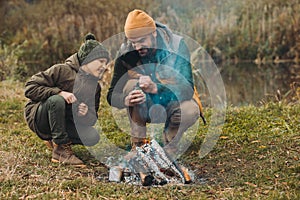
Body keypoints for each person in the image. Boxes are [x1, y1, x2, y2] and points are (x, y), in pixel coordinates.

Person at [107, 9, 200, 159]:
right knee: (131, 86)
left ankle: (168, 145)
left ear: (154, 33)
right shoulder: (125, 53)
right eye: (133, 42)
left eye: (142, 41)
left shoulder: (176, 46)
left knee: (190, 110)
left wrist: (157, 88)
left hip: (172, 103)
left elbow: (187, 88)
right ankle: (138, 146)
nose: (137, 47)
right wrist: (125, 100)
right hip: (144, 106)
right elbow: (111, 94)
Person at [24, 33, 110, 167]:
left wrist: (85, 113)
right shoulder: (61, 70)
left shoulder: (96, 87)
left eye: (106, 63)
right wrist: (59, 92)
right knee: (57, 100)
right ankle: (60, 151)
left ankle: (55, 139)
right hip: (39, 117)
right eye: (101, 62)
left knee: (92, 136)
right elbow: (30, 88)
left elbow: (92, 119)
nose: (104, 67)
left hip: (65, 121)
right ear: (87, 59)